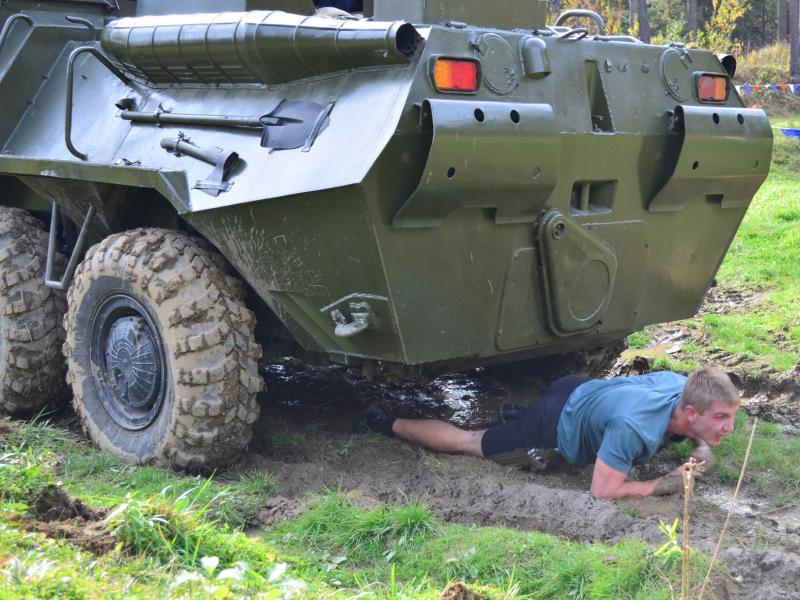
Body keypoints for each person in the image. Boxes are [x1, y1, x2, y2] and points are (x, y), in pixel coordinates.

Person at [359, 367, 739, 500]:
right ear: (690, 411)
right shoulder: (633, 429)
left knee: (540, 415)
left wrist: (703, 442)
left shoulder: (680, 384)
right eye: (721, 417)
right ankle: (388, 422)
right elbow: (603, 491)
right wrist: (665, 483)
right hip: (551, 427)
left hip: (578, 389)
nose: (730, 427)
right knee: (471, 442)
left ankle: (519, 414)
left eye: (731, 417)